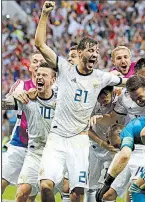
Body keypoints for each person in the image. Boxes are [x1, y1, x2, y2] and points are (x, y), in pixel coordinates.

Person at [34, 2, 126, 202]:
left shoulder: (101, 77)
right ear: (81, 52)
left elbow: (126, 80)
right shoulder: (65, 69)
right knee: (45, 185)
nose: (94, 54)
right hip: (57, 137)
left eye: (97, 51)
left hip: (79, 141)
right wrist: (45, 14)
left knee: (77, 193)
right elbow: (40, 44)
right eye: (91, 51)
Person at [2, 62, 56, 202]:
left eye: (44, 75)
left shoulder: (60, 99)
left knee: (53, 189)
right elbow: (4, 103)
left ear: (54, 80)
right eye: (38, 74)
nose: (39, 77)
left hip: (55, 153)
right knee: (21, 193)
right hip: (34, 152)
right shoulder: (27, 99)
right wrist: (16, 94)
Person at [1, 52, 45, 196]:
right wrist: (16, 96)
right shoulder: (21, 84)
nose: (38, 63)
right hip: (19, 143)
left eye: (41, 61)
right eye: (35, 61)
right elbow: (6, 103)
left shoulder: (54, 88)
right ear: (30, 67)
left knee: (28, 194)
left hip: (40, 147)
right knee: (2, 181)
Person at [85, 86, 124, 202]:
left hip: (115, 150)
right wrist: (101, 143)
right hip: (95, 147)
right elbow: (86, 128)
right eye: (99, 95)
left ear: (112, 92)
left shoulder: (120, 102)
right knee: (91, 186)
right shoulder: (91, 104)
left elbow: (112, 118)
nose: (103, 97)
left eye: (105, 94)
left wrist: (99, 118)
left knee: (110, 186)